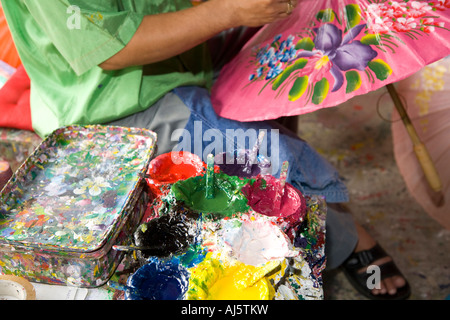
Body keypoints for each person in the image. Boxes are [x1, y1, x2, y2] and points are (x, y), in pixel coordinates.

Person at [1, 0, 410, 299]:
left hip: (184, 55)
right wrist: (227, 11)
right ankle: (351, 237)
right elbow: (112, 50)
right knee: (275, 162)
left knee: (295, 47)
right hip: (120, 107)